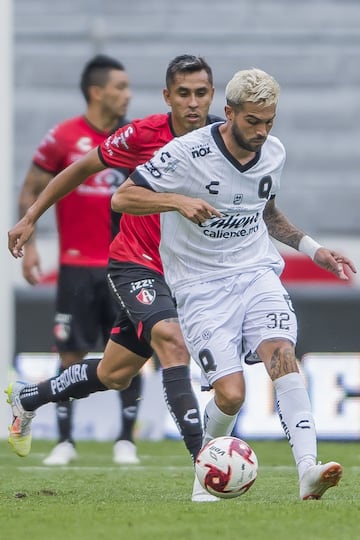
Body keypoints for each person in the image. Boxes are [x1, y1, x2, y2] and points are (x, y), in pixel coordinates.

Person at [110, 68, 357, 500]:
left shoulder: (274, 153)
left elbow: (269, 214)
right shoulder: (185, 153)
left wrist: (313, 248)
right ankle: (205, 469)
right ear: (229, 113)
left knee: (282, 354)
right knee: (230, 395)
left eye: (269, 122)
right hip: (199, 286)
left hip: (256, 271)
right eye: (253, 121)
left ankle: (308, 470)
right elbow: (123, 197)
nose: (262, 131)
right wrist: (178, 200)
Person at [7, 55, 222, 501]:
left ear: (213, 95)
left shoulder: (221, 137)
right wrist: (30, 217)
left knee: (114, 373)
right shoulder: (143, 134)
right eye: (183, 93)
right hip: (134, 261)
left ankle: (28, 398)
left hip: (184, 270)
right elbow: (81, 169)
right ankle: (204, 463)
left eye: (201, 93)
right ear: (168, 97)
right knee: (171, 340)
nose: (193, 102)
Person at [13, 54, 143, 466]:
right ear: (96, 91)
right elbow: (31, 187)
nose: (127, 94)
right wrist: (31, 245)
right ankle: (64, 441)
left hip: (124, 264)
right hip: (74, 264)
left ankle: (126, 441)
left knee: (130, 349)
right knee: (70, 353)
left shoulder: (134, 138)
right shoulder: (63, 137)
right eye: (120, 87)